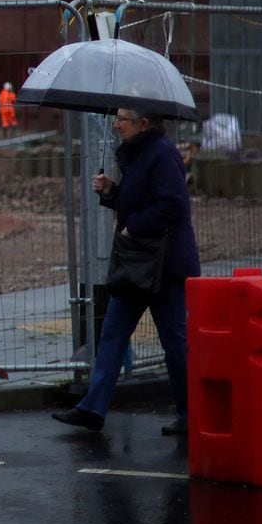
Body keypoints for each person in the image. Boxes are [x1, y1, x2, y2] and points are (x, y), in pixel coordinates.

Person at [52, 106, 200, 437]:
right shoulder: (138, 153)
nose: (116, 124)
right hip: (139, 263)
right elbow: (140, 200)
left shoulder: (162, 154)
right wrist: (111, 193)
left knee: (174, 342)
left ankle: (192, 414)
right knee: (114, 334)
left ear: (144, 123)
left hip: (165, 265)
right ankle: (93, 408)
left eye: (123, 119)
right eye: (116, 118)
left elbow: (172, 205)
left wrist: (132, 226)